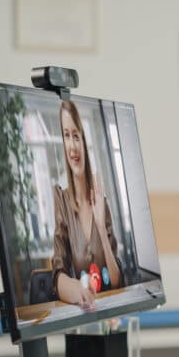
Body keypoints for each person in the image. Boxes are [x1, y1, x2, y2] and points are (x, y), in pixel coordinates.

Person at [51, 100, 123, 309]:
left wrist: (101, 227)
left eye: (76, 135)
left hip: (110, 317)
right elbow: (58, 273)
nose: (72, 146)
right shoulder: (62, 201)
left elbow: (117, 281)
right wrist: (77, 291)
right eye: (66, 135)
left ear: (84, 139)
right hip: (83, 317)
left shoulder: (100, 200)